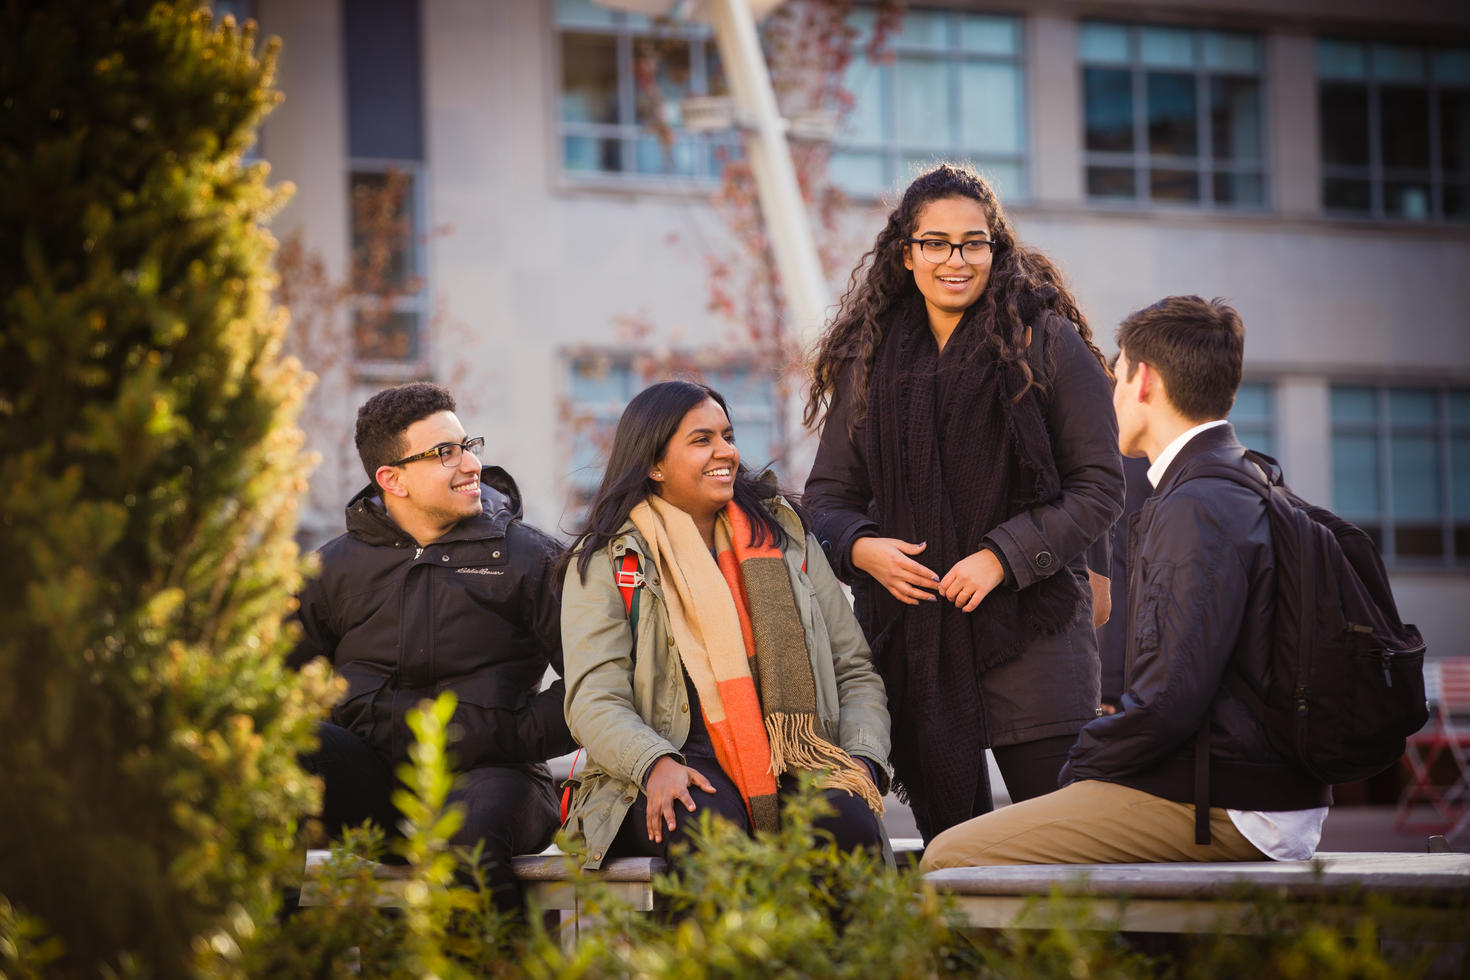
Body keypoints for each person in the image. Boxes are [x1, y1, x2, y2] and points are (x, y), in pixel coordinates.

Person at [922, 296, 1331, 869]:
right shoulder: (1247, 479)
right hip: (1257, 789)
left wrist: (1080, 764)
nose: (1108, 396)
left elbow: (1169, 698)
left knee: (950, 856)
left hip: (1231, 803)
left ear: (1145, 381)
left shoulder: (1197, 505)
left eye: (1115, 378)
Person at [803, 163, 1124, 842]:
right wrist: (862, 549)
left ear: (995, 247)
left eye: (973, 242)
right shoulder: (872, 359)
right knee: (954, 853)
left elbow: (1098, 487)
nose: (956, 260)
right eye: (936, 243)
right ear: (906, 253)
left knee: (1065, 850)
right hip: (916, 645)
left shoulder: (1047, 342)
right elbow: (827, 498)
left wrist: (1001, 558)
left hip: (1033, 639)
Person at [560, 380, 890, 870]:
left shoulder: (785, 538)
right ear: (654, 464)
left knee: (845, 824)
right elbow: (594, 698)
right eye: (702, 440)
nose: (726, 452)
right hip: (670, 762)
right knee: (711, 833)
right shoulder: (610, 561)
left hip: (797, 757)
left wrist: (861, 759)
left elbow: (854, 669)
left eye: (728, 436)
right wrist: (653, 764)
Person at [289, 382, 576, 912]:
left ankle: (495, 958)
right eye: (445, 452)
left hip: (497, 781)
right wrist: (351, 719)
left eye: (468, 446)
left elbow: (594, 681)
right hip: (379, 788)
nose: (471, 464)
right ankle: (266, 947)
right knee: (281, 756)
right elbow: (279, 686)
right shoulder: (333, 569)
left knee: (468, 844)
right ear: (391, 479)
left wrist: (503, 733)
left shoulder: (528, 558)